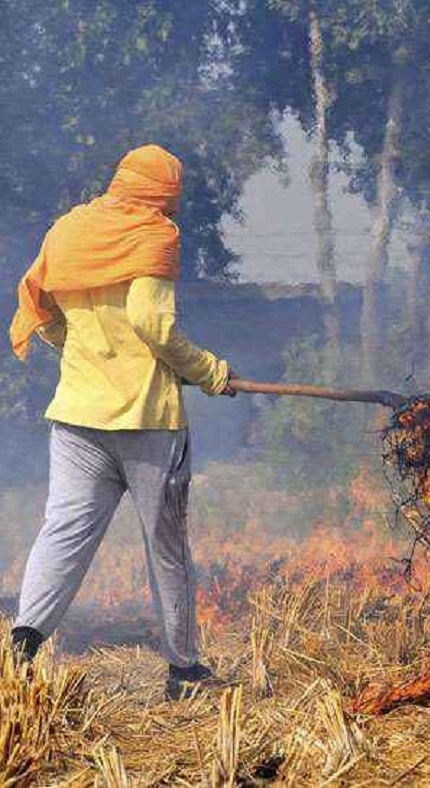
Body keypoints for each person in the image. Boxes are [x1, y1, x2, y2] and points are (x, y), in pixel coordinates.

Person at [8, 144, 235, 700]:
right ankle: (184, 672)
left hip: (76, 415)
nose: (173, 211)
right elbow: (151, 324)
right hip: (146, 421)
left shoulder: (69, 230)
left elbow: (44, 312)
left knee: (62, 533)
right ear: (162, 194)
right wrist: (208, 370)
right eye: (171, 198)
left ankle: (20, 648)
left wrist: (81, 349)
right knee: (167, 546)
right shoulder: (154, 234)